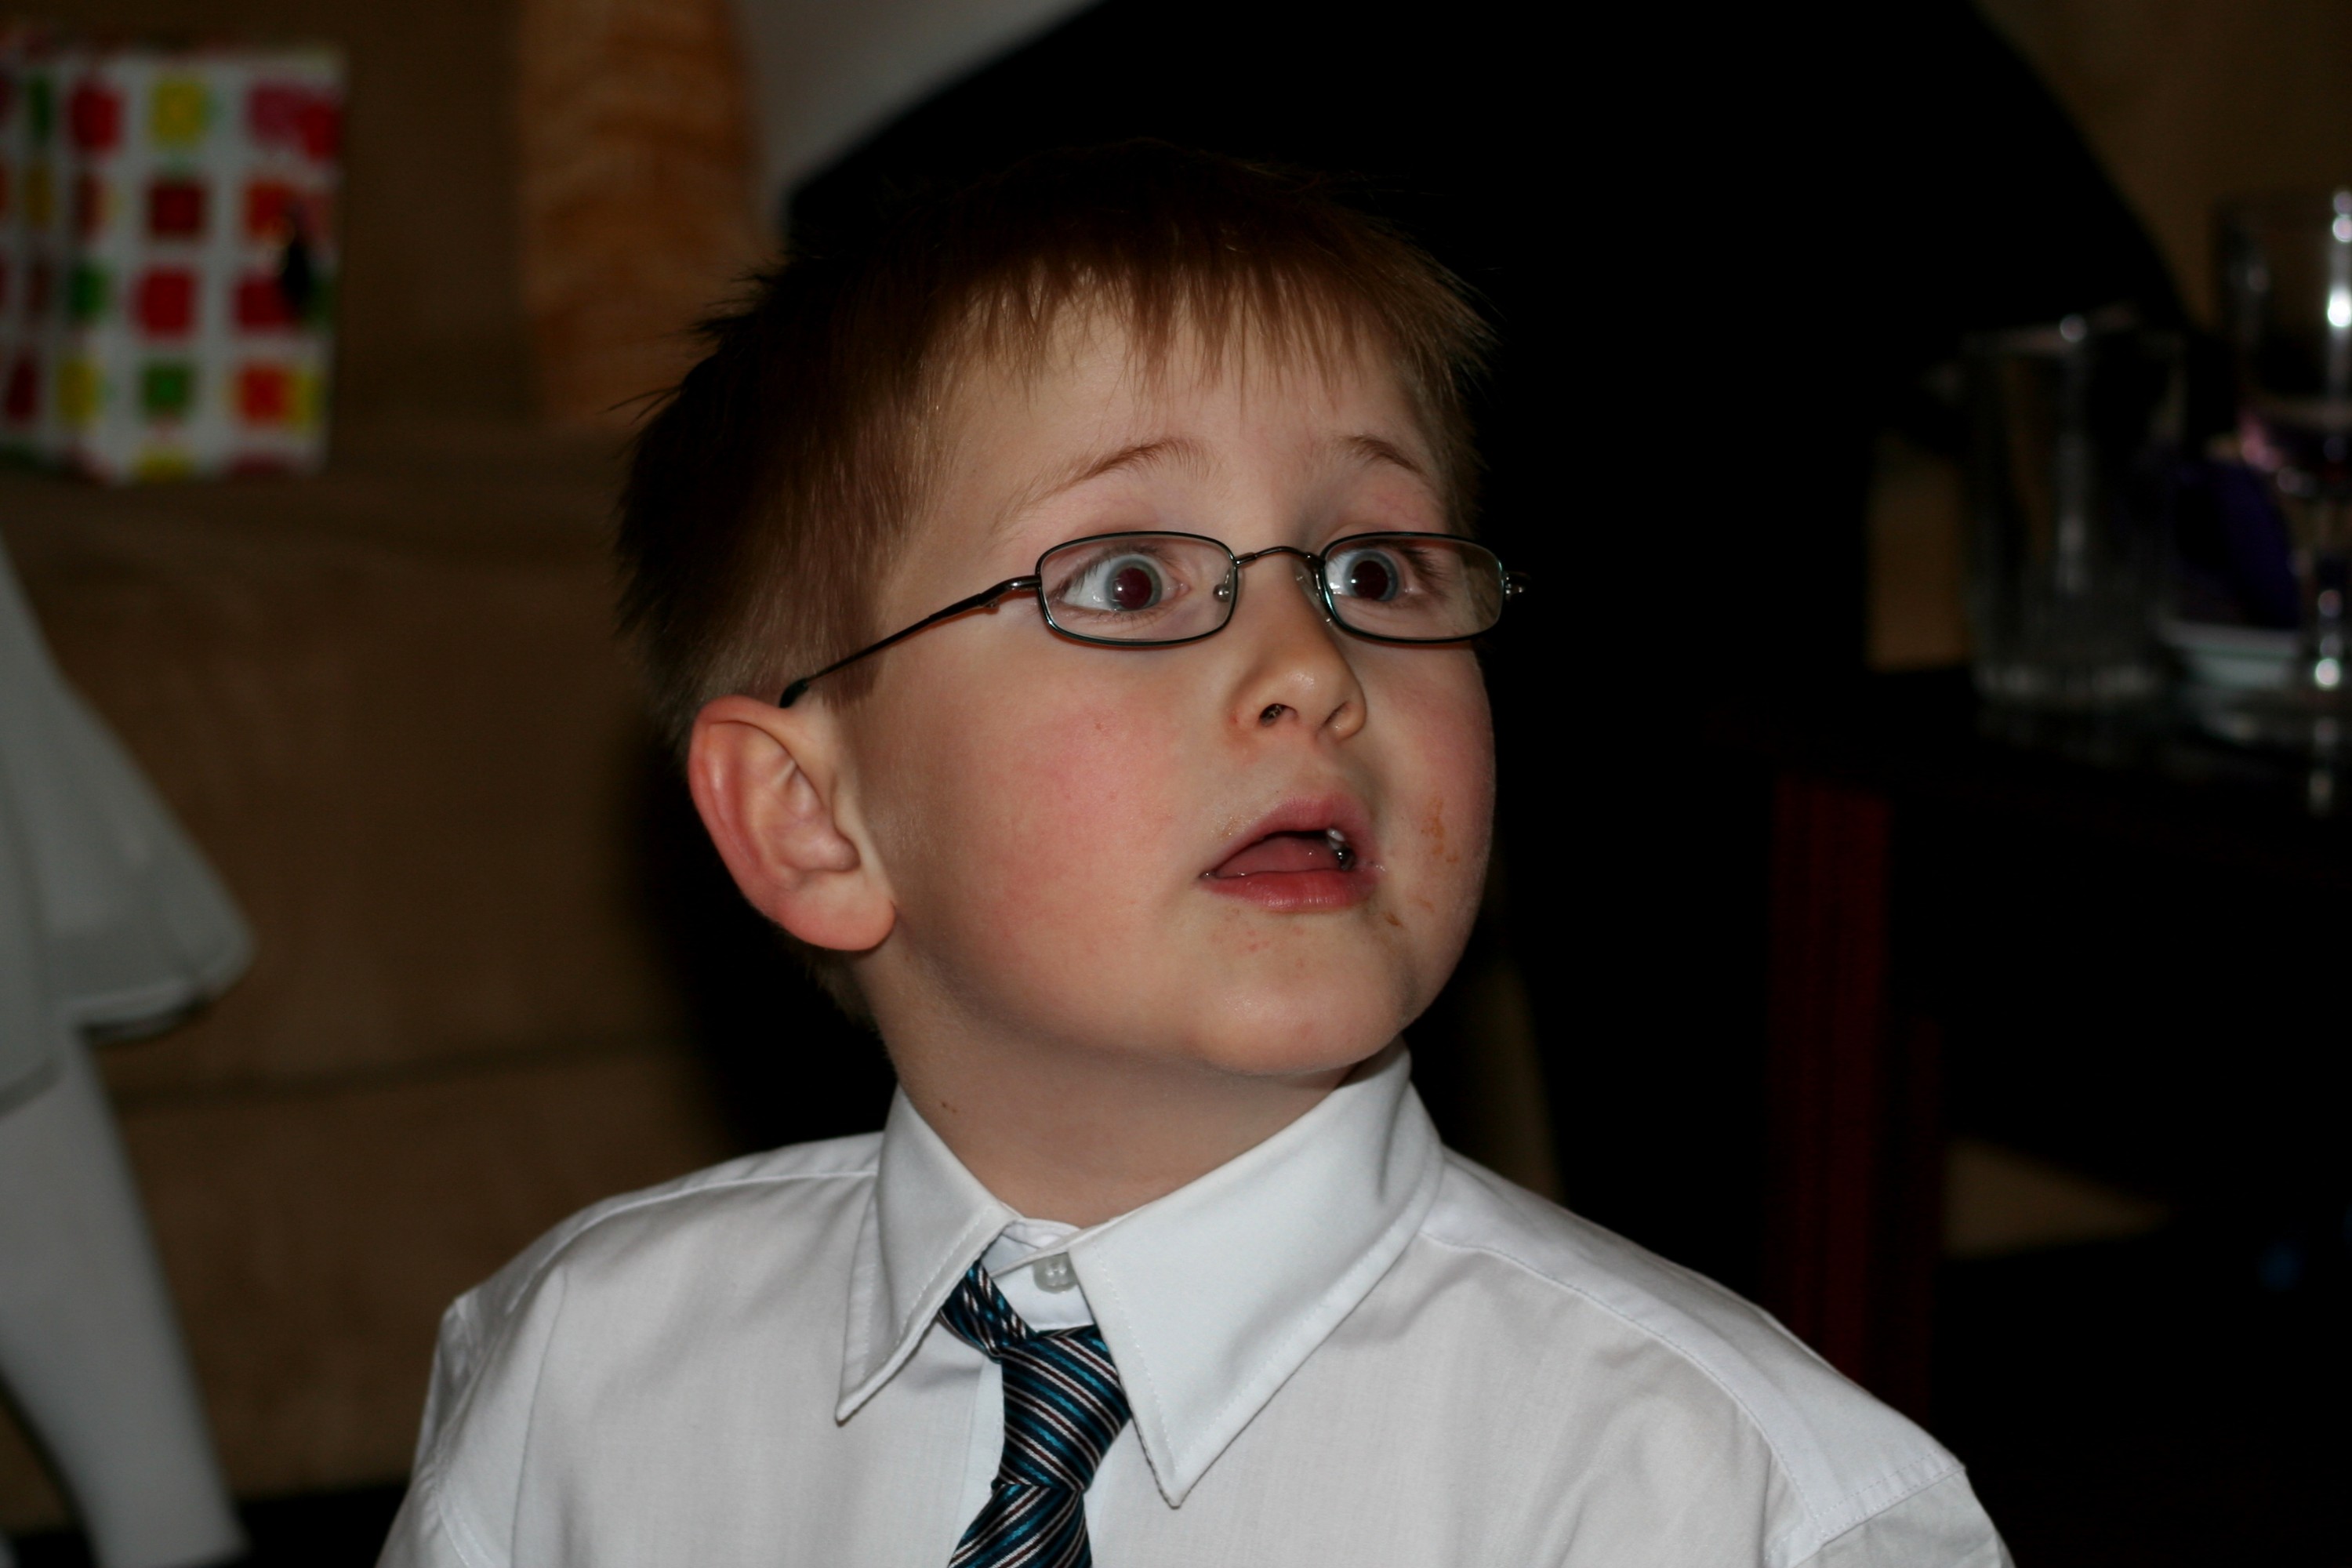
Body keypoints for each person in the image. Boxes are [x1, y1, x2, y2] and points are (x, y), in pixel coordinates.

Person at [376, 143, 2008, 1566]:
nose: (1310, 664)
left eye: (1374, 569)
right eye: (1130, 582)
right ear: (814, 820)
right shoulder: (582, 1373)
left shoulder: (1724, 1500)